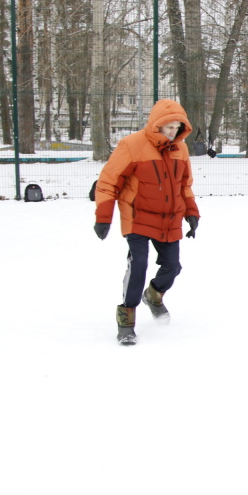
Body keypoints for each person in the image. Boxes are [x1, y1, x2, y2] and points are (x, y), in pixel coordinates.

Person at [93, 99, 201, 345]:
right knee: (138, 265)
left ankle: (153, 295)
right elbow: (109, 181)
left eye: (177, 127)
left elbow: (184, 185)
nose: (173, 132)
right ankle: (126, 320)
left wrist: (191, 213)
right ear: (156, 124)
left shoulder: (180, 149)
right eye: (168, 127)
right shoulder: (132, 145)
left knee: (172, 267)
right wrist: (103, 217)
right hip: (137, 216)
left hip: (169, 217)